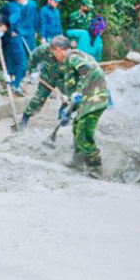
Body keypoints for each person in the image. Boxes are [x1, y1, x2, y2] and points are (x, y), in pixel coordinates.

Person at [48, 36, 108, 176]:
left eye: (53, 53)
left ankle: (95, 170)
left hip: (94, 99)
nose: (54, 56)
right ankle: (77, 162)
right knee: (77, 128)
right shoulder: (75, 56)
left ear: (58, 50)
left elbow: (88, 70)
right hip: (89, 99)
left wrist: (79, 92)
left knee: (84, 134)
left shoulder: (72, 57)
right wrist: (70, 106)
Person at [21, 34, 66, 126]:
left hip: (63, 78)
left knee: (69, 98)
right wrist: (33, 71)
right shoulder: (44, 49)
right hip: (47, 77)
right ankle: (25, 118)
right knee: (38, 98)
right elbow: (32, 58)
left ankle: (64, 115)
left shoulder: (69, 54)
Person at [0, 0, 32, 93]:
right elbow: (11, 21)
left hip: (7, 40)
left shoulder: (7, 6)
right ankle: (15, 84)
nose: (25, 0)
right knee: (22, 64)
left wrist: (7, 32)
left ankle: (8, 84)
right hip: (15, 40)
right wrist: (11, 31)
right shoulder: (16, 9)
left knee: (10, 62)